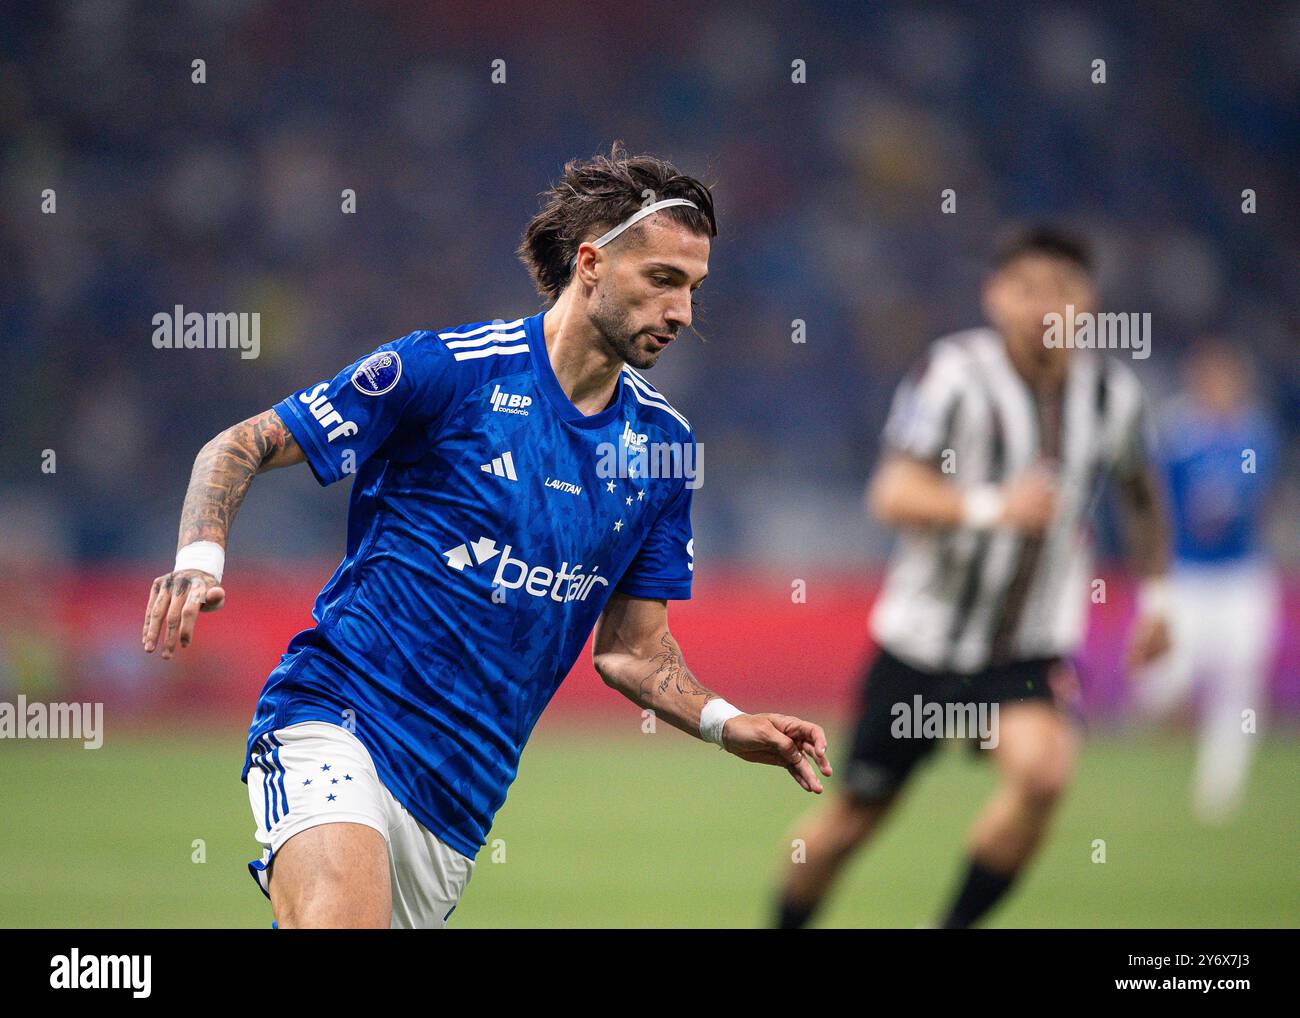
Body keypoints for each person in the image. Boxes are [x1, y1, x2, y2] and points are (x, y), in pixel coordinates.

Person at [142, 145, 831, 928]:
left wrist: (724, 721)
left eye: (695, 289)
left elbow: (632, 649)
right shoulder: (448, 372)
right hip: (337, 719)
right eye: (664, 281)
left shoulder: (663, 450)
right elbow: (240, 444)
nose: (682, 313)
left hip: (457, 805)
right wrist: (198, 559)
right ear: (592, 263)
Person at [774, 227, 1171, 929]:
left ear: (1090, 303)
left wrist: (1159, 600)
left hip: (1025, 650)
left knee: (1044, 775)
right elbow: (892, 492)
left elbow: (1141, 495)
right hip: (922, 646)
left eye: (1064, 289)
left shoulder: (1114, 394)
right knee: (849, 826)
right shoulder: (952, 374)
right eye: (1028, 287)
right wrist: (993, 507)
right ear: (994, 296)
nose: (1046, 305)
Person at [1136, 340, 1280, 822]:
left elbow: (1259, 494)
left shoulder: (1255, 434)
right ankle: (1164, 723)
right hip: (1186, 575)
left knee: (1239, 682)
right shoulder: (1175, 435)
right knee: (1162, 684)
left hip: (1240, 576)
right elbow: (1152, 502)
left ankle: (1219, 791)